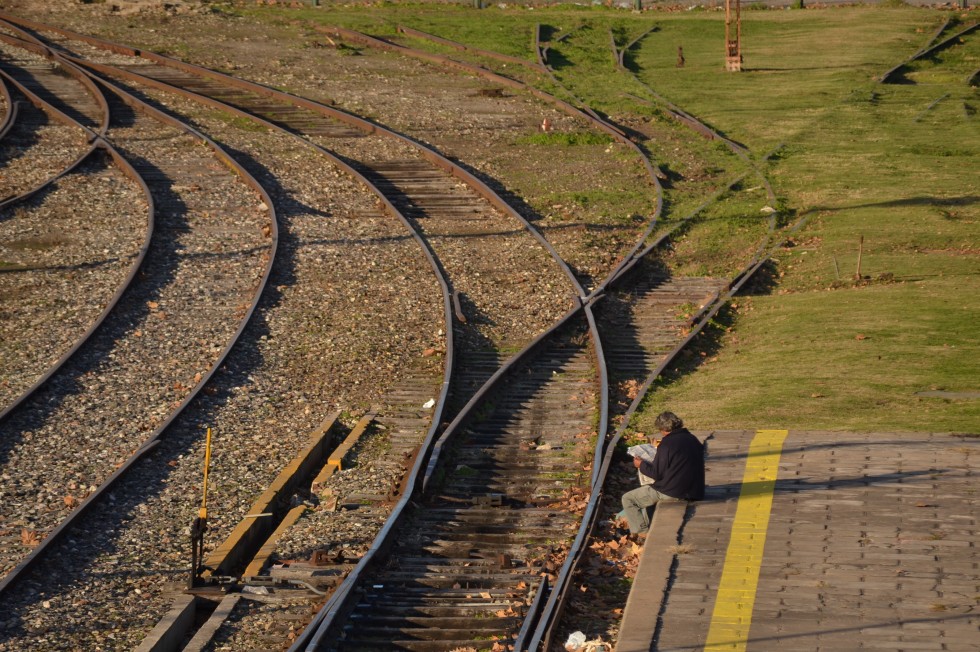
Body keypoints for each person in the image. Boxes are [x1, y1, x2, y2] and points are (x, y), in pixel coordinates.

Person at [620, 411, 704, 539]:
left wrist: (640, 464)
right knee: (648, 496)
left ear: (663, 429)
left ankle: (642, 533)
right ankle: (645, 528)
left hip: (673, 491)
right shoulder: (692, 439)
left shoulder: (667, 444)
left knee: (628, 499)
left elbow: (657, 473)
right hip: (695, 490)